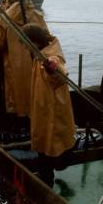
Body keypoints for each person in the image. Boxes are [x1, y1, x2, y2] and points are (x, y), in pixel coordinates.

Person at [21, 23, 75, 160]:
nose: (24, 47)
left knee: (52, 142)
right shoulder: (39, 55)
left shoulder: (49, 57)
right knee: (45, 140)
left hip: (52, 108)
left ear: (35, 42)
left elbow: (61, 75)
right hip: (42, 106)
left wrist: (52, 68)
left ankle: (54, 166)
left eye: (25, 43)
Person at [0, 0, 48, 118]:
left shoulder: (4, 17)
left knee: (16, 93)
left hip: (13, 63)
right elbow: (46, 38)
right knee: (36, 89)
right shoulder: (37, 15)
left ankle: (20, 120)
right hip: (36, 61)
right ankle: (37, 117)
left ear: (10, 0)